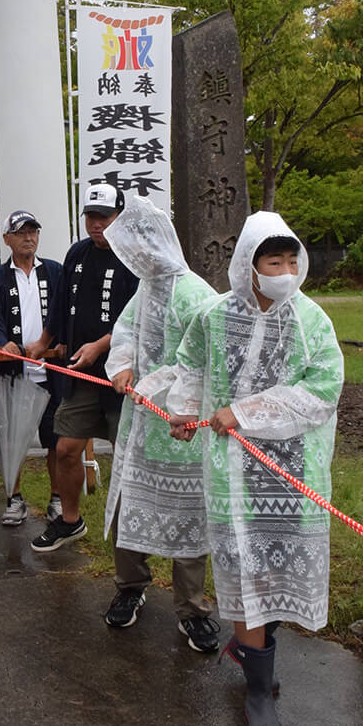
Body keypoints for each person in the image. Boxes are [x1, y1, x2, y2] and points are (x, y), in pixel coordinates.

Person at [167, 213, 343, 726]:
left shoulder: (311, 321)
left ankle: (252, 650)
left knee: (278, 573)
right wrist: (182, 409)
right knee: (246, 573)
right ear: (249, 265)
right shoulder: (216, 316)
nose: (286, 272)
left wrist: (246, 411)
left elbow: (325, 387)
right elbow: (191, 365)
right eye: (274, 262)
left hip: (292, 468)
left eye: (292, 261)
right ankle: (258, 690)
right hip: (231, 473)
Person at [102, 195, 218, 647]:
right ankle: (129, 588)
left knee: (188, 517)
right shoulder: (145, 289)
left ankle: (193, 610)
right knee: (131, 507)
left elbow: (201, 363)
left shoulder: (196, 295)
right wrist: (123, 366)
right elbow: (126, 332)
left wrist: (162, 390)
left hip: (182, 428)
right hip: (141, 429)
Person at [30, 183, 139, 553]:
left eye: (104, 217)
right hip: (80, 373)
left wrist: (100, 346)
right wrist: (44, 343)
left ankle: (130, 532)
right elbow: (60, 307)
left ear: (120, 217)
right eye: (91, 217)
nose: (97, 224)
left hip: (122, 376)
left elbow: (138, 318)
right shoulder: (77, 254)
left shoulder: (134, 258)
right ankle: (70, 520)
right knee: (65, 448)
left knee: (125, 454)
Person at [0, 209, 63, 526]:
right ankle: (14, 499)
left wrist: (63, 342)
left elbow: (66, 312)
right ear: (8, 239)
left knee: (57, 438)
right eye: (22, 232)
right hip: (13, 372)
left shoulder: (54, 272)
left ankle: (57, 499)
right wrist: (3, 343)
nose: (29, 237)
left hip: (51, 369)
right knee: (9, 437)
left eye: (34, 231)